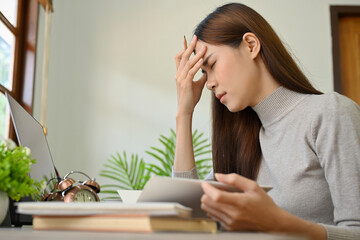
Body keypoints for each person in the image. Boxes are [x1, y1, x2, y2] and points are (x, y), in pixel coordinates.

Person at [172, 3, 360, 240]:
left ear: (251, 45)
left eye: (212, 65)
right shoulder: (241, 139)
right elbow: (186, 217)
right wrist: (184, 113)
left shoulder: (329, 114)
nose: (209, 83)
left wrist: (280, 224)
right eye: (204, 74)